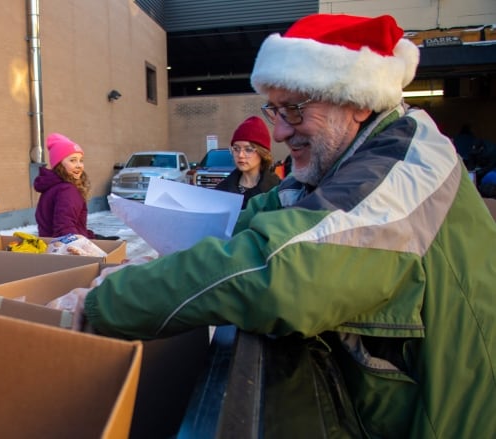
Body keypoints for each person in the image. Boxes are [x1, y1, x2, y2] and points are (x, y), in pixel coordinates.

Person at [75, 14, 496, 437]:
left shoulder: (403, 169)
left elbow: (277, 270)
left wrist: (104, 305)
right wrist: (139, 272)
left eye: (294, 110)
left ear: (359, 100)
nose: (277, 133)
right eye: (273, 110)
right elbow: (252, 223)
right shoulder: (342, 159)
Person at [34, 133, 99, 239]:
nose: (79, 165)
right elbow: (65, 229)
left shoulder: (53, 186)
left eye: (80, 160)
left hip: (51, 246)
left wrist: (91, 236)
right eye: (72, 160)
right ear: (59, 164)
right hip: (67, 250)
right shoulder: (67, 190)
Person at [214, 116, 280, 208]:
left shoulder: (276, 190)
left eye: (248, 149)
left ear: (262, 153)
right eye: (236, 149)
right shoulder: (222, 190)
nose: (240, 155)